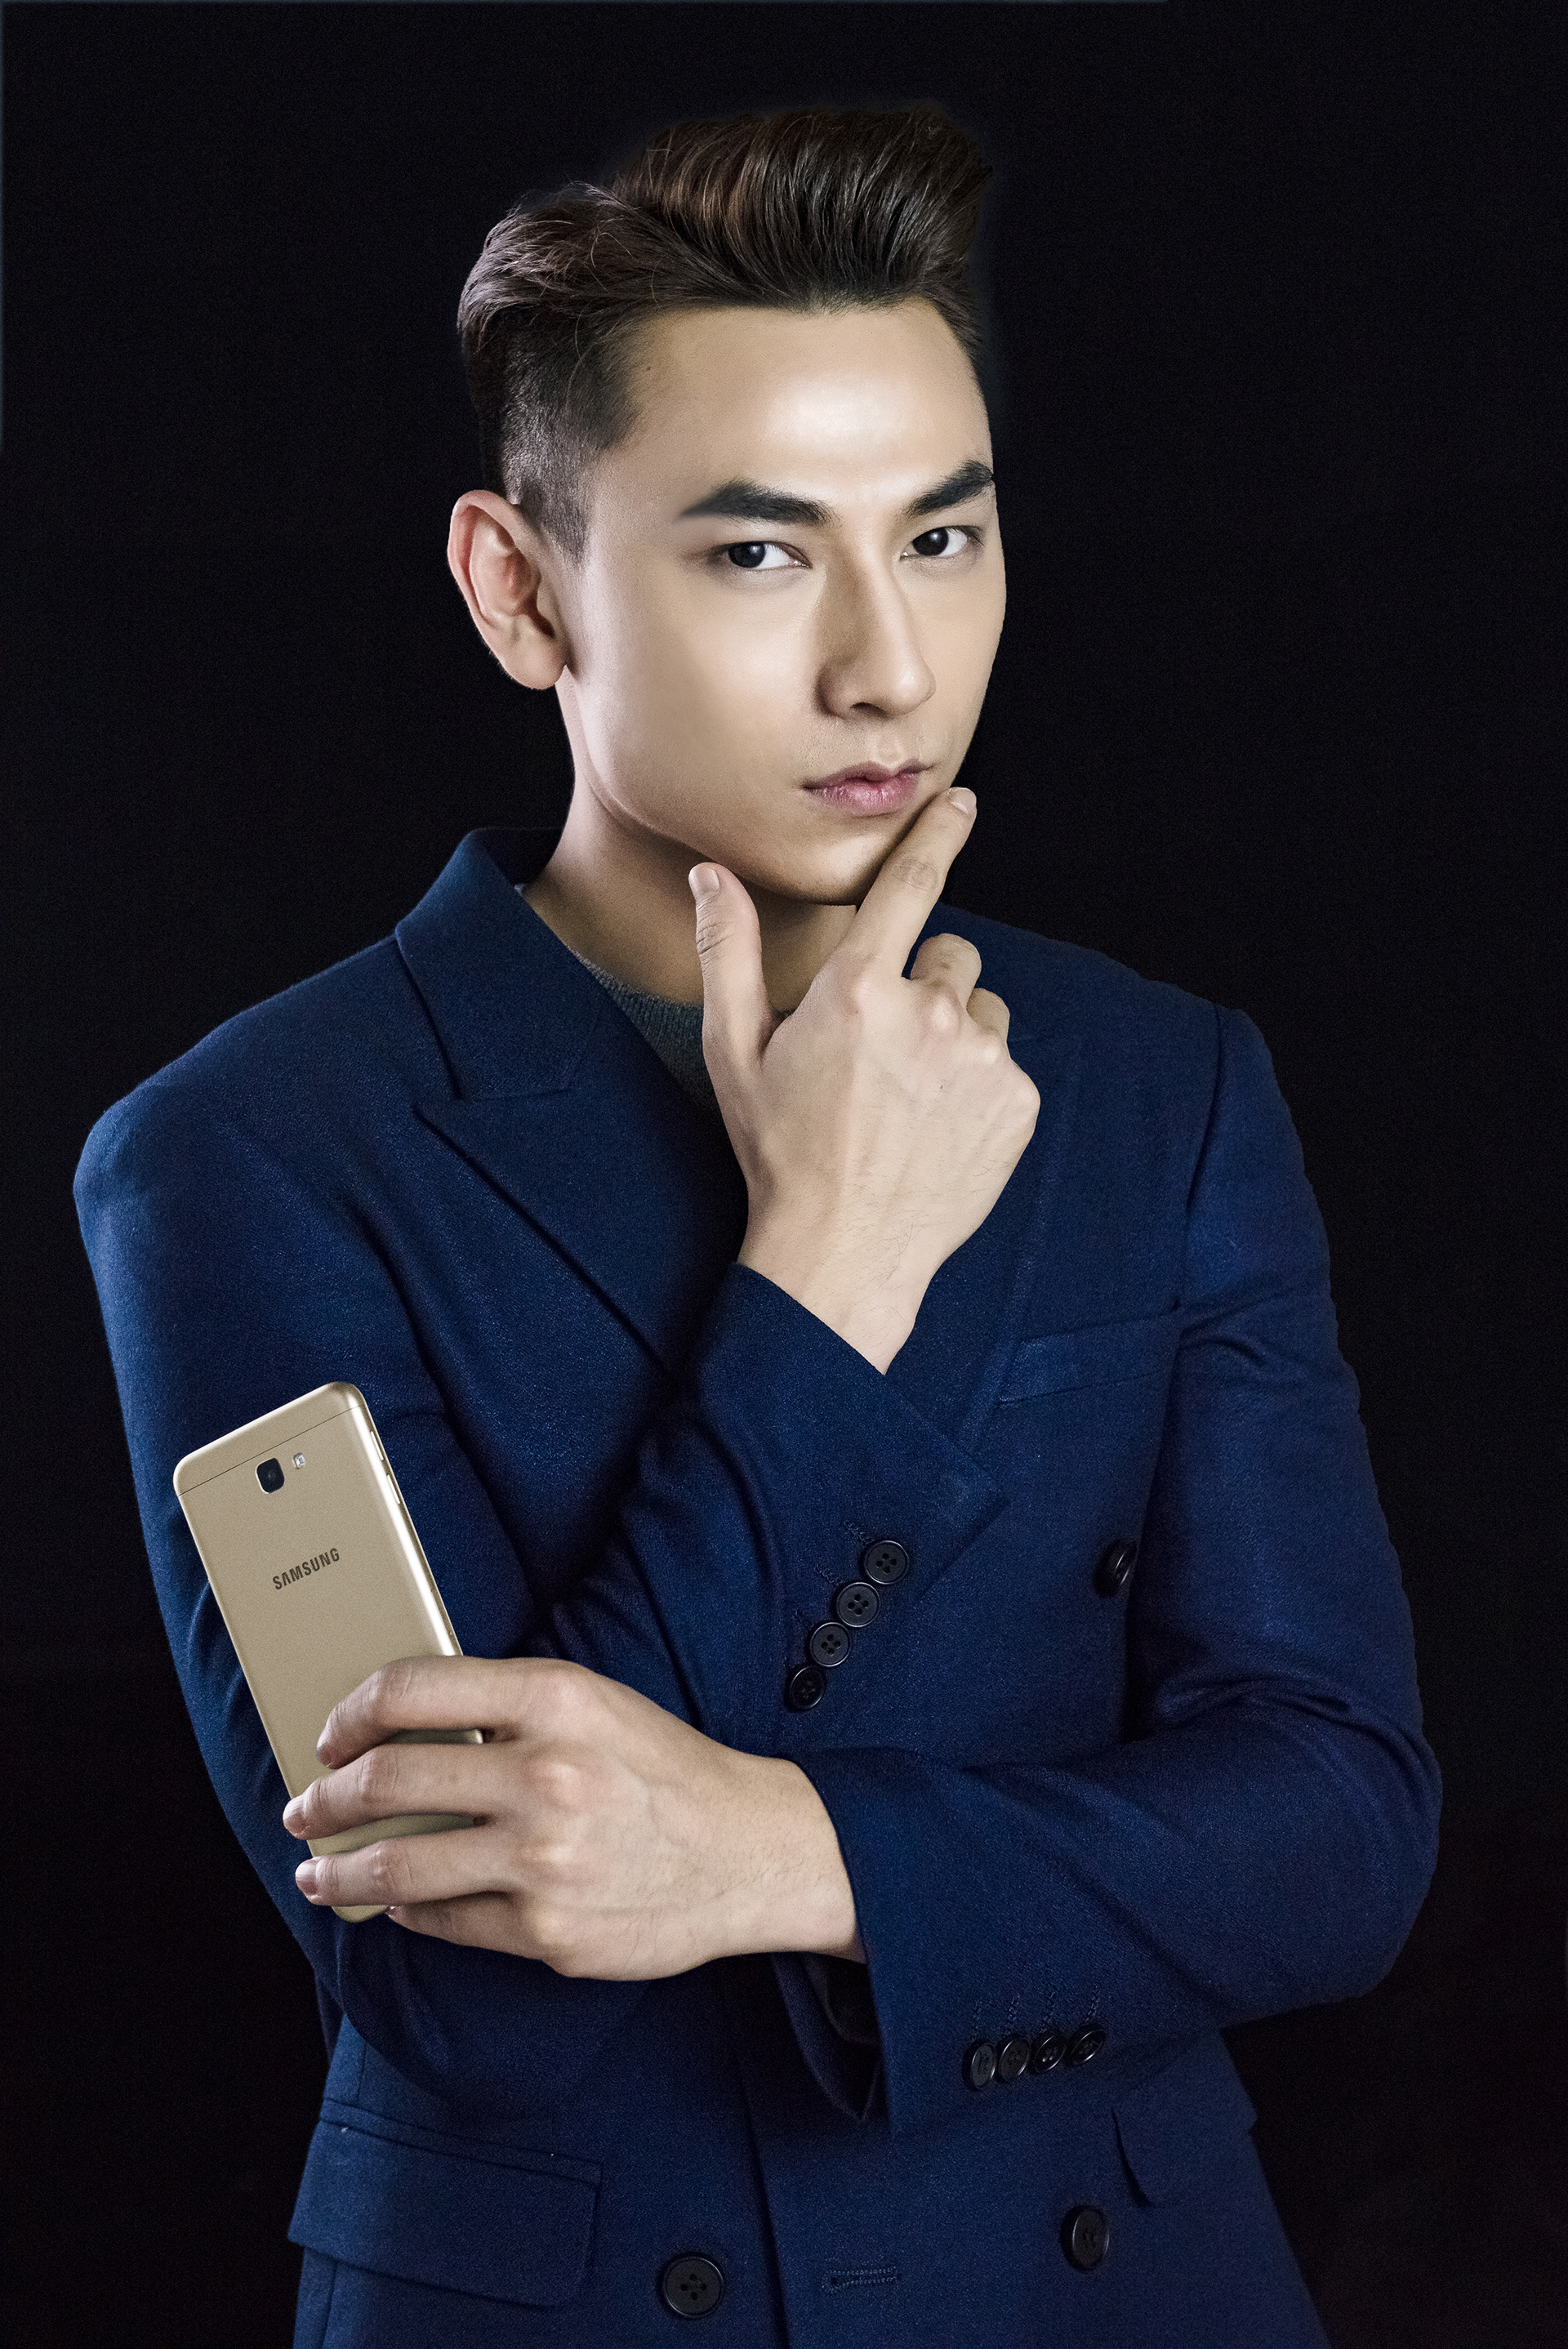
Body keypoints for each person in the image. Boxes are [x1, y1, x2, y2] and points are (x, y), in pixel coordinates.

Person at [75, 103, 1441, 2348]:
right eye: (756, 553)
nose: (889, 665)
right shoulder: (247, 1157)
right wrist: (827, 1285)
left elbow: (1341, 1826)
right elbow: (458, 1992)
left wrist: (787, 1858)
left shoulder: (1158, 1087)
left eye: (943, 535)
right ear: (520, 590)